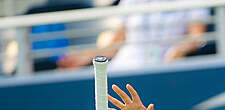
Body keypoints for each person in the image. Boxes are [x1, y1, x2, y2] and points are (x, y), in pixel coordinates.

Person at [58, 0, 209, 70]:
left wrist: (177, 51)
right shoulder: (131, 1)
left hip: (162, 68)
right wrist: (84, 57)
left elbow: (196, 37)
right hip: (123, 67)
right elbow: (114, 45)